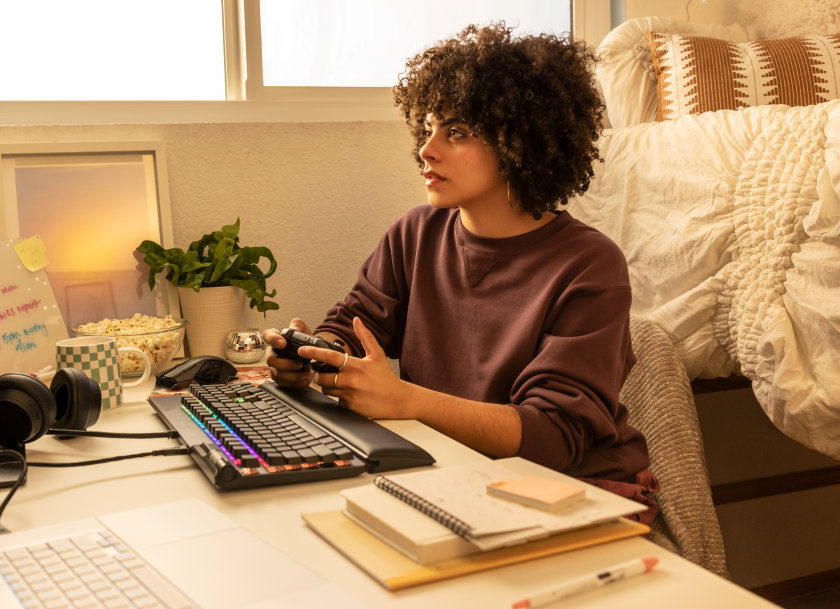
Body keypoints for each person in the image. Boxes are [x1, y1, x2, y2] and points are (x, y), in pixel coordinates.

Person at [264, 22, 657, 525]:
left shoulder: (588, 264)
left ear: (524, 141)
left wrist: (406, 400)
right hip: (457, 473)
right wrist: (315, 354)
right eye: (427, 128)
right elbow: (356, 325)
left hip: (578, 490)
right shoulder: (415, 232)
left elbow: (553, 436)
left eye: (458, 132)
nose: (427, 149)